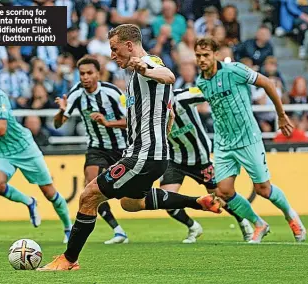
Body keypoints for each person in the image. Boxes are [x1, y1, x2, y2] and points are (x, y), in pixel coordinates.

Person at [37, 24, 222, 272]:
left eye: (114, 49)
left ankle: (69, 259)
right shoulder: (133, 75)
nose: (112, 55)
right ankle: (196, 202)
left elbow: (168, 76)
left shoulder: (148, 63)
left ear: (129, 45)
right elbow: (167, 110)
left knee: (88, 195)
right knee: (130, 203)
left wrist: (145, 67)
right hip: (149, 154)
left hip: (144, 155)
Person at [194, 38, 306, 243]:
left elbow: (267, 83)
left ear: (216, 54)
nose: (201, 59)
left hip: (248, 138)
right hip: (224, 142)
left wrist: (281, 115)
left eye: (206, 55)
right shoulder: (200, 82)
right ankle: (259, 224)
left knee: (263, 189)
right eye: (198, 56)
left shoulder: (234, 70)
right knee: (223, 191)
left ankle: (291, 215)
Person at [0, 62, 72, 243]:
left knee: (49, 191)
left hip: (22, 146)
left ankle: (68, 227)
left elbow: (1, 128)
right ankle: (29, 202)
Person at [53, 55, 130, 245]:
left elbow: (131, 122)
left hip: (121, 148)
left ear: (98, 74)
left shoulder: (112, 93)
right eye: (82, 74)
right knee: (90, 187)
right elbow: (57, 124)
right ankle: (118, 231)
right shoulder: (76, 94)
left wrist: (108, 122)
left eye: (89, 73)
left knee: (131, 198)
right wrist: (62, 111)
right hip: (96, 147)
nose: (85, 77)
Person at [162, 87, 253, 243]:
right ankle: (193, 227)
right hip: (176, 159)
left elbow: (209, 91)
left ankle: (243, 222)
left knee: (220, 195)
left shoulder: (184, 96)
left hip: (201, 159)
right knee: (166, 199)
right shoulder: (150, 109)